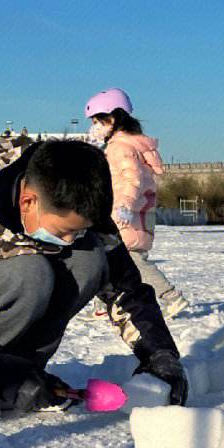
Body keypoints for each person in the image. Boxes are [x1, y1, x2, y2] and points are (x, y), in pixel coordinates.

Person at [0, 136, 187, 420]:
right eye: (65, 230)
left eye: (79, 229)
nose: (72, 238)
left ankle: (25, 375)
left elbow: (126, 288)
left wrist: (159, 354)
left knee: (90, 258)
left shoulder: (75, 190)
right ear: (27, 201)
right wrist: (5, 375)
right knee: (29, 272)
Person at [85, 88, 189, 318]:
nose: (94, 127)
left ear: (112, 119)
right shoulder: (127, 145)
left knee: (131, 261)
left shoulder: (120, 148)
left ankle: (172, 296)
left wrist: (124, 206)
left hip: (126, 215)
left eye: (97, 122)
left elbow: (132, 179)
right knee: (106, 257)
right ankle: (103, 304)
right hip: (135, 213)